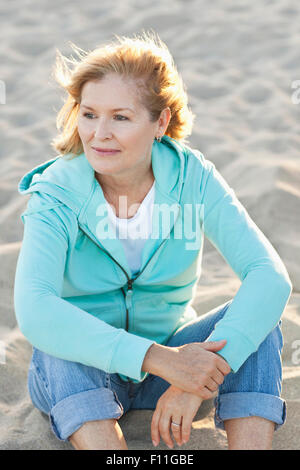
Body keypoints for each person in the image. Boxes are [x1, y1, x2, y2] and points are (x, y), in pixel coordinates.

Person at [14, 31, 292, 451]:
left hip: (170, 370)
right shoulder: (55, 192)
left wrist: (193, 381)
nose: (98, 134)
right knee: (58, 343)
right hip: (82, 372)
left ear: (160, 122)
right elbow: (35, 309)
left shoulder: (192, 177)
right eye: (88, 114)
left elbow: (269, 277)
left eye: (120, 118)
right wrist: (164, 361)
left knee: (256, 321)